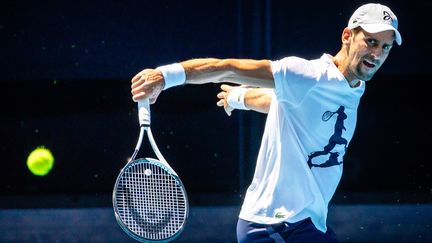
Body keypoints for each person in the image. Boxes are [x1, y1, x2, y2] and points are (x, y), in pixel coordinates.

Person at [130, 3, 402, 242]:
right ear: (347, 36)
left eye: (385, 47)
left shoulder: (354, 86)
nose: (377, 54)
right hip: (275, 225)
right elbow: (229, 67)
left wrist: (241, 97)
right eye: (370, 42)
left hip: (306, 224)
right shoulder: (308, 74)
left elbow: (293, 107)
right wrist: (164, 76)